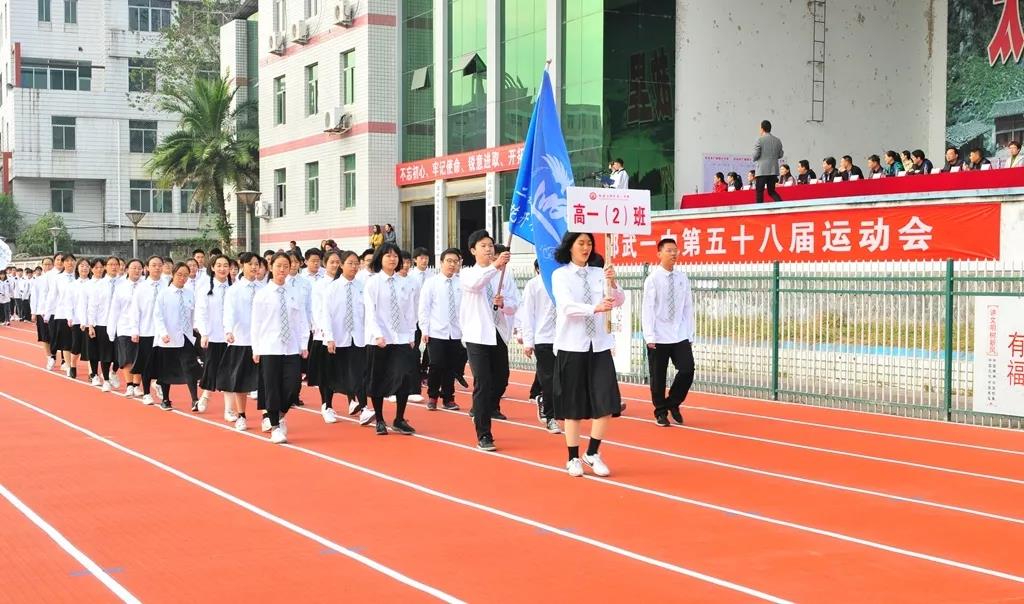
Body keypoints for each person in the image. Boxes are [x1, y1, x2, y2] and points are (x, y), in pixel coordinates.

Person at [551, 231, 624, 477]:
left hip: (599, 345)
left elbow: (618, 300)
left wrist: (613, 283)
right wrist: (594, 307)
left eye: (589, 243)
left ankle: (592, 453)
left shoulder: (599, 272)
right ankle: (572, 457)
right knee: (572, 405)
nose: (586, 247)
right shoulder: (560, 275)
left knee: (606, 402)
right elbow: (566, 307)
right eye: (581, 243)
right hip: (572, 346)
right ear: (570, 246)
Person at [460, 230, 518, 451]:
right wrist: (495, 266)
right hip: (477, 335)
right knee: (483, 382)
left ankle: (481, 408)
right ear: (473, 250)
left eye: (490, 245)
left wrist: (504, 304)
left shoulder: (504, 275)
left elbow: (514, 304)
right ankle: (484, 433)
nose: (488, 249)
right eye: (483, 246)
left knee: (501, 378)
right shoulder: (467, 273)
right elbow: (476, 284)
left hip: (498, 333)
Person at [251, 252, 311, 444]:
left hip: (291, 346)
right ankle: (275, 426)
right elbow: (256, 323)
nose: (282, 270)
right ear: (271, 267)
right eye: (279, 266)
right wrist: (256, 349)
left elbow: (302, 320)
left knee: (293, 386)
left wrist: (303, 343)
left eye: (286, 266)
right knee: (272, 387)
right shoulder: (263, 294)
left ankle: (279, 414)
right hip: (269, 347)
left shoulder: (295, 293)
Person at [363, 242, 418, 436]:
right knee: (378, 379)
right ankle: (379, 419)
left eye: (395, 256)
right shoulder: (373, 283)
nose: (393, 259)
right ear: (380, 258)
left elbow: (410, 311)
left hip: (401, 337)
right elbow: (370, 312)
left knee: (404, 377)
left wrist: (411, 334)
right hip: (380, 338)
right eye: (388, 256)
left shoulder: (405, 283)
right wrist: (378, 334)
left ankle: (399, 419)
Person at [641, 238, 696, 427]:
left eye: (675, 250)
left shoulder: (682, 278)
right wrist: (649, 336)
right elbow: (647, 308)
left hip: (679, 333)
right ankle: (660, 412)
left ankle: (673, 402)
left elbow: (688, 306)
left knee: (687, 369)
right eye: (669, 250)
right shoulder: (653, 279)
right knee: (658, 377)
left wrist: (690, 333)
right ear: (659, 254)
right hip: (658, 334)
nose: (674, 254)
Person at [319, 250, 368, 421]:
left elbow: (368, 313)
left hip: (358, 337)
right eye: (350, 263)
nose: (354, 267)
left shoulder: (362, 287)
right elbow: (326, 315)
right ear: (342, 265)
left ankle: (363, 408)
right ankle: (327, 406)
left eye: (356, 264)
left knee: (359, 372)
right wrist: (329, 337)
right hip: (337, 337)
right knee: (332, 373)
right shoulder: (332, 288)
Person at [417, 247, 465, 412]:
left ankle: (448, 398)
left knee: (451, 367)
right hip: (436, 331)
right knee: (436, 364)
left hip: (455, 332)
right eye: (449, 261)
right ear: (441, 262)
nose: (452, 265)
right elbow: (424, 308)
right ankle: (432, 396)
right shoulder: (432, 283)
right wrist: (424, 330)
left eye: (455, 262)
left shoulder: (462, 283)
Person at [152, 262, 203, 412]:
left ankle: (194, 399)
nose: (182, 278)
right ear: (173, 274)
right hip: (169, 337)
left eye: (185, 275)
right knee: (166, 369)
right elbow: (158, 316)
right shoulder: (164, 294)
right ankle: (165, 399)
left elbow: (194, 314)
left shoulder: (189, 293)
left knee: (190, 366)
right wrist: (163, 333)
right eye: (179, 274)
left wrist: (196, 328)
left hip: (186, 336)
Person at [518, 259, 561, 434]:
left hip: (565, 338)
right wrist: (528, 342)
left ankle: (548, 402)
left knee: (564, 379)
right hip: (544, 339)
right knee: (549, 379)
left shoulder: (563, 282)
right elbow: (527, 314)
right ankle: (551, 417)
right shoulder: (533, 285)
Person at [222, 252, 263, 431]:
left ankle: (267, 416)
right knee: (241, 381)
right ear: (242, 265)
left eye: (256, 264)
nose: (254, 267)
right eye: (250, 264)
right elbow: (229, 312)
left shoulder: (264, 288)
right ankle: (241, 415)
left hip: (262, 341)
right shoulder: (234, 290)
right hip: (242, 340)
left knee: (265, 380)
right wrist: (229, 330)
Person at [195, 254, 232, 418]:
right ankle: (206, 395)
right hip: (213, 335)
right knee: (211, 368)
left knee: (230, 371)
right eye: (219, 265)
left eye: (226, 265)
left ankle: (229, 409)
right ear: (212, 267)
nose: (222, 269)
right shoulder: (206, 288)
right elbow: (201, 313)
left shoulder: (234, 288)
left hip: (232, 338)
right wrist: (204, 333)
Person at [308, 250, 341, 422]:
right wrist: (325, 332)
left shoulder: (344, 282)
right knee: (326, 373)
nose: (335, 265)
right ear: (325, 264)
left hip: (343, 335)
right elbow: (316, 310)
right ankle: (326, 405)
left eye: (338, 262)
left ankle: (355, 403)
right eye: (332, 262)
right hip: (324, 336)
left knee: (342, 371)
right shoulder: (320, 285)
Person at [128, 255, 166, 405]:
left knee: (163, 362)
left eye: (159, 265)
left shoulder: (167, 286)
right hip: (147, 331)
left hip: (163, 333)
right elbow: (135, 311)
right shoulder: (141, 287)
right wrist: (135, 330)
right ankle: (146, 393)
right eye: (154, 265)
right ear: (147, 268)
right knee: (147, 363)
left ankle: (160, 385)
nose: (157, 268)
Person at [107, 258, 144, 395]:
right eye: (134, 268)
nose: (136, 270)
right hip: (124, 327)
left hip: (142, 327)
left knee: (139, 357)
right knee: (127, 358)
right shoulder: (121, 287)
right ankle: (129, 385)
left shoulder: (145, 286)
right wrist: (111, 330)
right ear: (127, 270)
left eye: (139, 268)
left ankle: (137, 385)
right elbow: (115, 310)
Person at [84, 257, 116, 390]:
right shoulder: (99, 285)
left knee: (115, 354)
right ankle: (103, 378)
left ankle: (112, 372)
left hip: (118, 323)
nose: (114, 267)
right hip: (102, 323)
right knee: (102, 353)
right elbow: (92, 305)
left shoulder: (122, 283)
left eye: (116, 264)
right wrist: (90, 324)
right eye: (111, 264)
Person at [30, 256, 55, 365]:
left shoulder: (57, 278)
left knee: (56, 336)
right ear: (42, 265)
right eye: (45, 264)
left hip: (54, 311)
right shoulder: (38, 280)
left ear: (53, 265)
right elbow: (34, 297)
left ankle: (60, 358)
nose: (47, 266)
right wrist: (33, 313)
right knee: (45, 336)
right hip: (42, 311)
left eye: (49, 264)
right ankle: (49, 357)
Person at [752, 119, 784, 202]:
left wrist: (754, 159)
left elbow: (756, 155)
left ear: (762, 129)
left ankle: (759, 208)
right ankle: (782, 205)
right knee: (771, 191)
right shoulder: (777, 140)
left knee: (759, 191)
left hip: (762, 170)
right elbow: (781, 154)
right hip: (773, 170)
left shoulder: (759, 140)